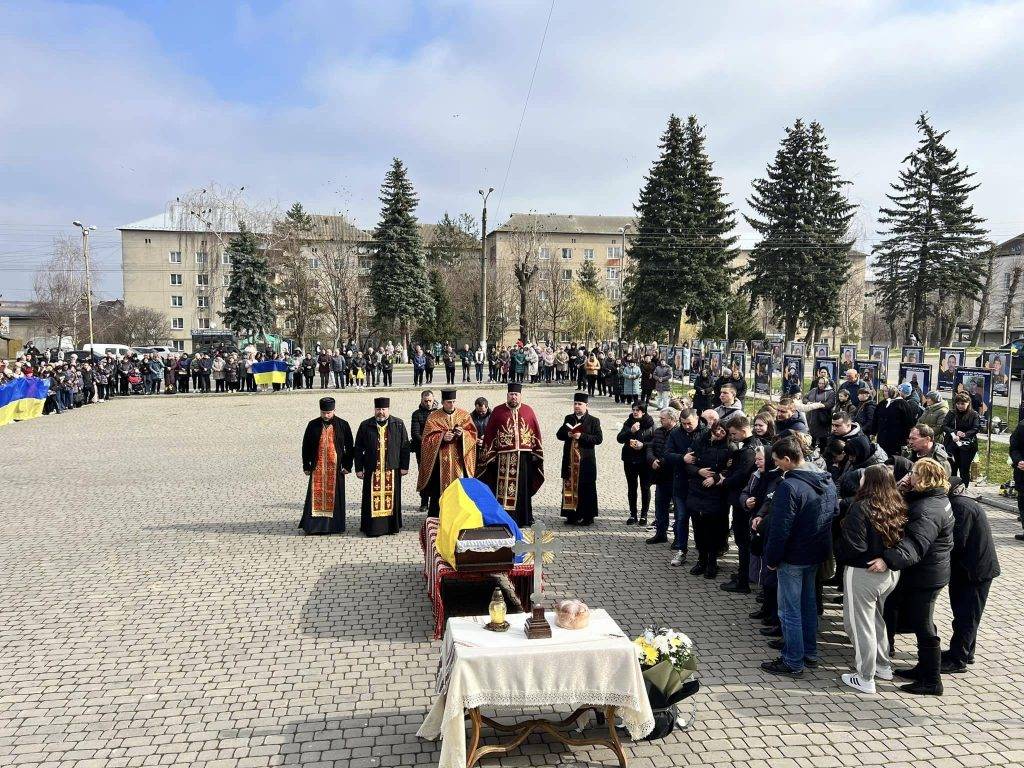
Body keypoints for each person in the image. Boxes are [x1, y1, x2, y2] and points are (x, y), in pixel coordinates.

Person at [870, 458, 953, 696]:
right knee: (919, 619)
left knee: (923, 624)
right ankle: (924, 668)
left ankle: (931, 680)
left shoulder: (929, 509)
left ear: (925, 478)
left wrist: (889, 559)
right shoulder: (932, 499)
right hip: (927, 572)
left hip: (926, 576)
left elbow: (915, 543)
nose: (910, 475)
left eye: (915, 473)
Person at [760, 435, 838, 677]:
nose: (775, 466)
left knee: (789, 610)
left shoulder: (789, 486)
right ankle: (809, 653)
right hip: (816, 553)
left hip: (793, 557)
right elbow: (832, 513)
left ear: (787, 459)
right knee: (808, 605)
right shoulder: (827, 481)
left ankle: (793, 660)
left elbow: (780, 528)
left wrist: (771, 560)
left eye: (777, 461)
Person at [835, 464, 907, 694]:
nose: (860, 481)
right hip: (889, 573)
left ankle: (865, 676)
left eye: (864, 478)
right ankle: (883, 665)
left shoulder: (861, 507)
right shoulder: (896, 505)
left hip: (862, 572)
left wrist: (839, 546)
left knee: (858, 625)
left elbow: (855, 547)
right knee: (876, 621)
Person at [942, 479, 1000, 673]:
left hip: (974, 572)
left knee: (966, 616)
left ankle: (958, 660)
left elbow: (957, 542)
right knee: (965, 614)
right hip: (972, 569)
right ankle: (965, 652)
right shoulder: (963, 503)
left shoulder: (961, 506)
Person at [477, 383, 544, 527]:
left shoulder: (528, 411)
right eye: (511, 394)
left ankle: (524, 518)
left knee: (523, 489)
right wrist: (490, 455)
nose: (513, 397)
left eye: (516, 395)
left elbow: (535, 432)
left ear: (520, 396)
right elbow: (490, 434)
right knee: (503, 489)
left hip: (524, 458)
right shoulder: (498, 411)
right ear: (507, 395)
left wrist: (535, 453)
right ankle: (505, 518)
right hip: (503, 458)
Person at [353, 397, 410, 537]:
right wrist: (359, 468)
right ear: (375, 409)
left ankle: (392, 527)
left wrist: (404, 466)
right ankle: (371, 528)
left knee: (392, 498)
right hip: (372, 469)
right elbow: (358, 448)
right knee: (370, 498)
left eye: (383, 409)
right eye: (378, 409)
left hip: (392, 468)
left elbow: (405, 447)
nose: (381, 412)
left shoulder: (399, 424)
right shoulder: (365, 425)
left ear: (388, 409)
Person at [416, 389, 477, 516]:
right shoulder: (433, 417)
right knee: (438, 491)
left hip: (459, 462)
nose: (452, 405)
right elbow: (426, 440)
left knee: (460, 490)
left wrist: (462, 435)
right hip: (439, 464)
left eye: (454, 402)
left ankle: (460, 516)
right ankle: (437, 516)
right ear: (443, 402)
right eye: (449, 402)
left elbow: (472, 435)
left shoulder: (464, 415)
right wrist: (442, 437)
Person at [299, 397, 355, 535]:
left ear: (334, 410)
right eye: (323, 412)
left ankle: (334, 526)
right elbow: (305, 446)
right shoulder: (312, 425)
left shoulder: (343, 424)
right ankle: (314, 527)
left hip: (336, 469)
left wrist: (348, 465)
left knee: (335, 497)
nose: (326, 415)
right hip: (317, 468)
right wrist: (306, 465)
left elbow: (350, 447)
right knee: (315, 496)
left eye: (329, 413)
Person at [686, 419, 730, 578]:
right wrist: (699, 472)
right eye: (717, 429)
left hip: (715, 493)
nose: (719, 433)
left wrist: (716, 478)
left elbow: (730, 470)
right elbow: (688, 463)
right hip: (697, 490)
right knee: (698, 528)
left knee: (713, 529)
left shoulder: (729, 447)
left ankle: (712, 561)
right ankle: (701, 559)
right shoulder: (700, 442)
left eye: (723, 431)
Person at [664, 408, 706, 564]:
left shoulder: (705, 432)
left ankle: (702, 552)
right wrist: (683, 458)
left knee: (698, 520)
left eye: (690, 423)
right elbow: (667, 454)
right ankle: (681, 550)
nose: (687, 426)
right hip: (680, 483)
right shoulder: (675, 433)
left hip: (699, 484)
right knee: (681, 518)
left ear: (697, 419)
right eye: (684, 423)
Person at [557, 393, 603, 526]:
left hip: (586, 462)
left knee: (586, 488)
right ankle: (571, 515)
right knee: (570, 487)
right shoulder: (569, 418)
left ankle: (587, 516)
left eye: (580, 404)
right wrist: (568, 434)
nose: (577, 406)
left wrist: (581, 436)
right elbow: (559, 435)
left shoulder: (594, 420)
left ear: (586, 405)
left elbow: (598, 439)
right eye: (575, 404)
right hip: (570, 461)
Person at [617, 402, 655, 526]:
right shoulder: (628, 423)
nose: (635, 412)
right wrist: (631, 432)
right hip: (629, 459)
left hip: (644, 460)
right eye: (633, 409)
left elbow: (655, 442)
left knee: (645, 487)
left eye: (637, 410)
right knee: (632, 487)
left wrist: (643, 445)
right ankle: (633, 514)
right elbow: (620, 438)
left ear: (643, 412)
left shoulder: (651, 424)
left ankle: (644, 515)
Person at [646, 407, 679, 544]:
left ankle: (678, 538)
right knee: (660, 506)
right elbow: (650, 447)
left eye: (662, 419)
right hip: (660, 476)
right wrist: (652, 459)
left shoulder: (679, 433)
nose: (660, 420)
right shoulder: (658, 431)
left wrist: (662, 462)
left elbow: (675, 452)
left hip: (675, 476)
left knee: (678, 510)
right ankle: (660, 533)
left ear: (671, 419)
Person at [941, 394, 980, 488]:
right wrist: (955, 432)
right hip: (952, 443)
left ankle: (964, 488)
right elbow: (944, 426)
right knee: (952, 467)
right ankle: (952, 488)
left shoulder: (973, 414)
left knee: (964, 468)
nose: (960, 406)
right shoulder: (952, 413)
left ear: (968, 403)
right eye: (958, 404)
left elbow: (976, 428)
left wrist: (965, 434)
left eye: (962, 404)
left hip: (967, 445)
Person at [873, 385, 919, 459]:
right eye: (884, 391)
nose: (884, 393)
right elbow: (875, 419)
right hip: (882, 437)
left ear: (893, 392)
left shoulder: (902, 404)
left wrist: (908, 437)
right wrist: (873, 432)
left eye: (886, 391)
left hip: (897, 438)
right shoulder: (882, 403)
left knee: (893, 459)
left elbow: (909, 422)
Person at [410, 390, 436, 513]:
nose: (428, 403)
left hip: (437, 450)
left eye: (430, 400)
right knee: (424, 475)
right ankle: (424, 502)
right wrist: (428, 444)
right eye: (425, 401)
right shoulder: (416, 414)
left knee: (436, 476)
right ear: (421, 400)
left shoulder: (438, 413)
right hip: (422, 451)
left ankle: (436, 501)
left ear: (434, 399)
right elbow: (415, 433)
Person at [1011, 420, 1024, 542]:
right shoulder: (1022, 426)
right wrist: (1018, 460)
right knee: (1022, 501)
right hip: (1022, 471)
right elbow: (1014, 447)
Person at [471, 397, 491, 467]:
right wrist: (475, 439)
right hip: (476, 449)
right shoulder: (470, 417)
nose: (481, 413)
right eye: (478, 411)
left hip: (490, 449)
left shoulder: (493, 416)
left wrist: (487, 437)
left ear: (487, 407)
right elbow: (468, 432)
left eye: (483, 412)